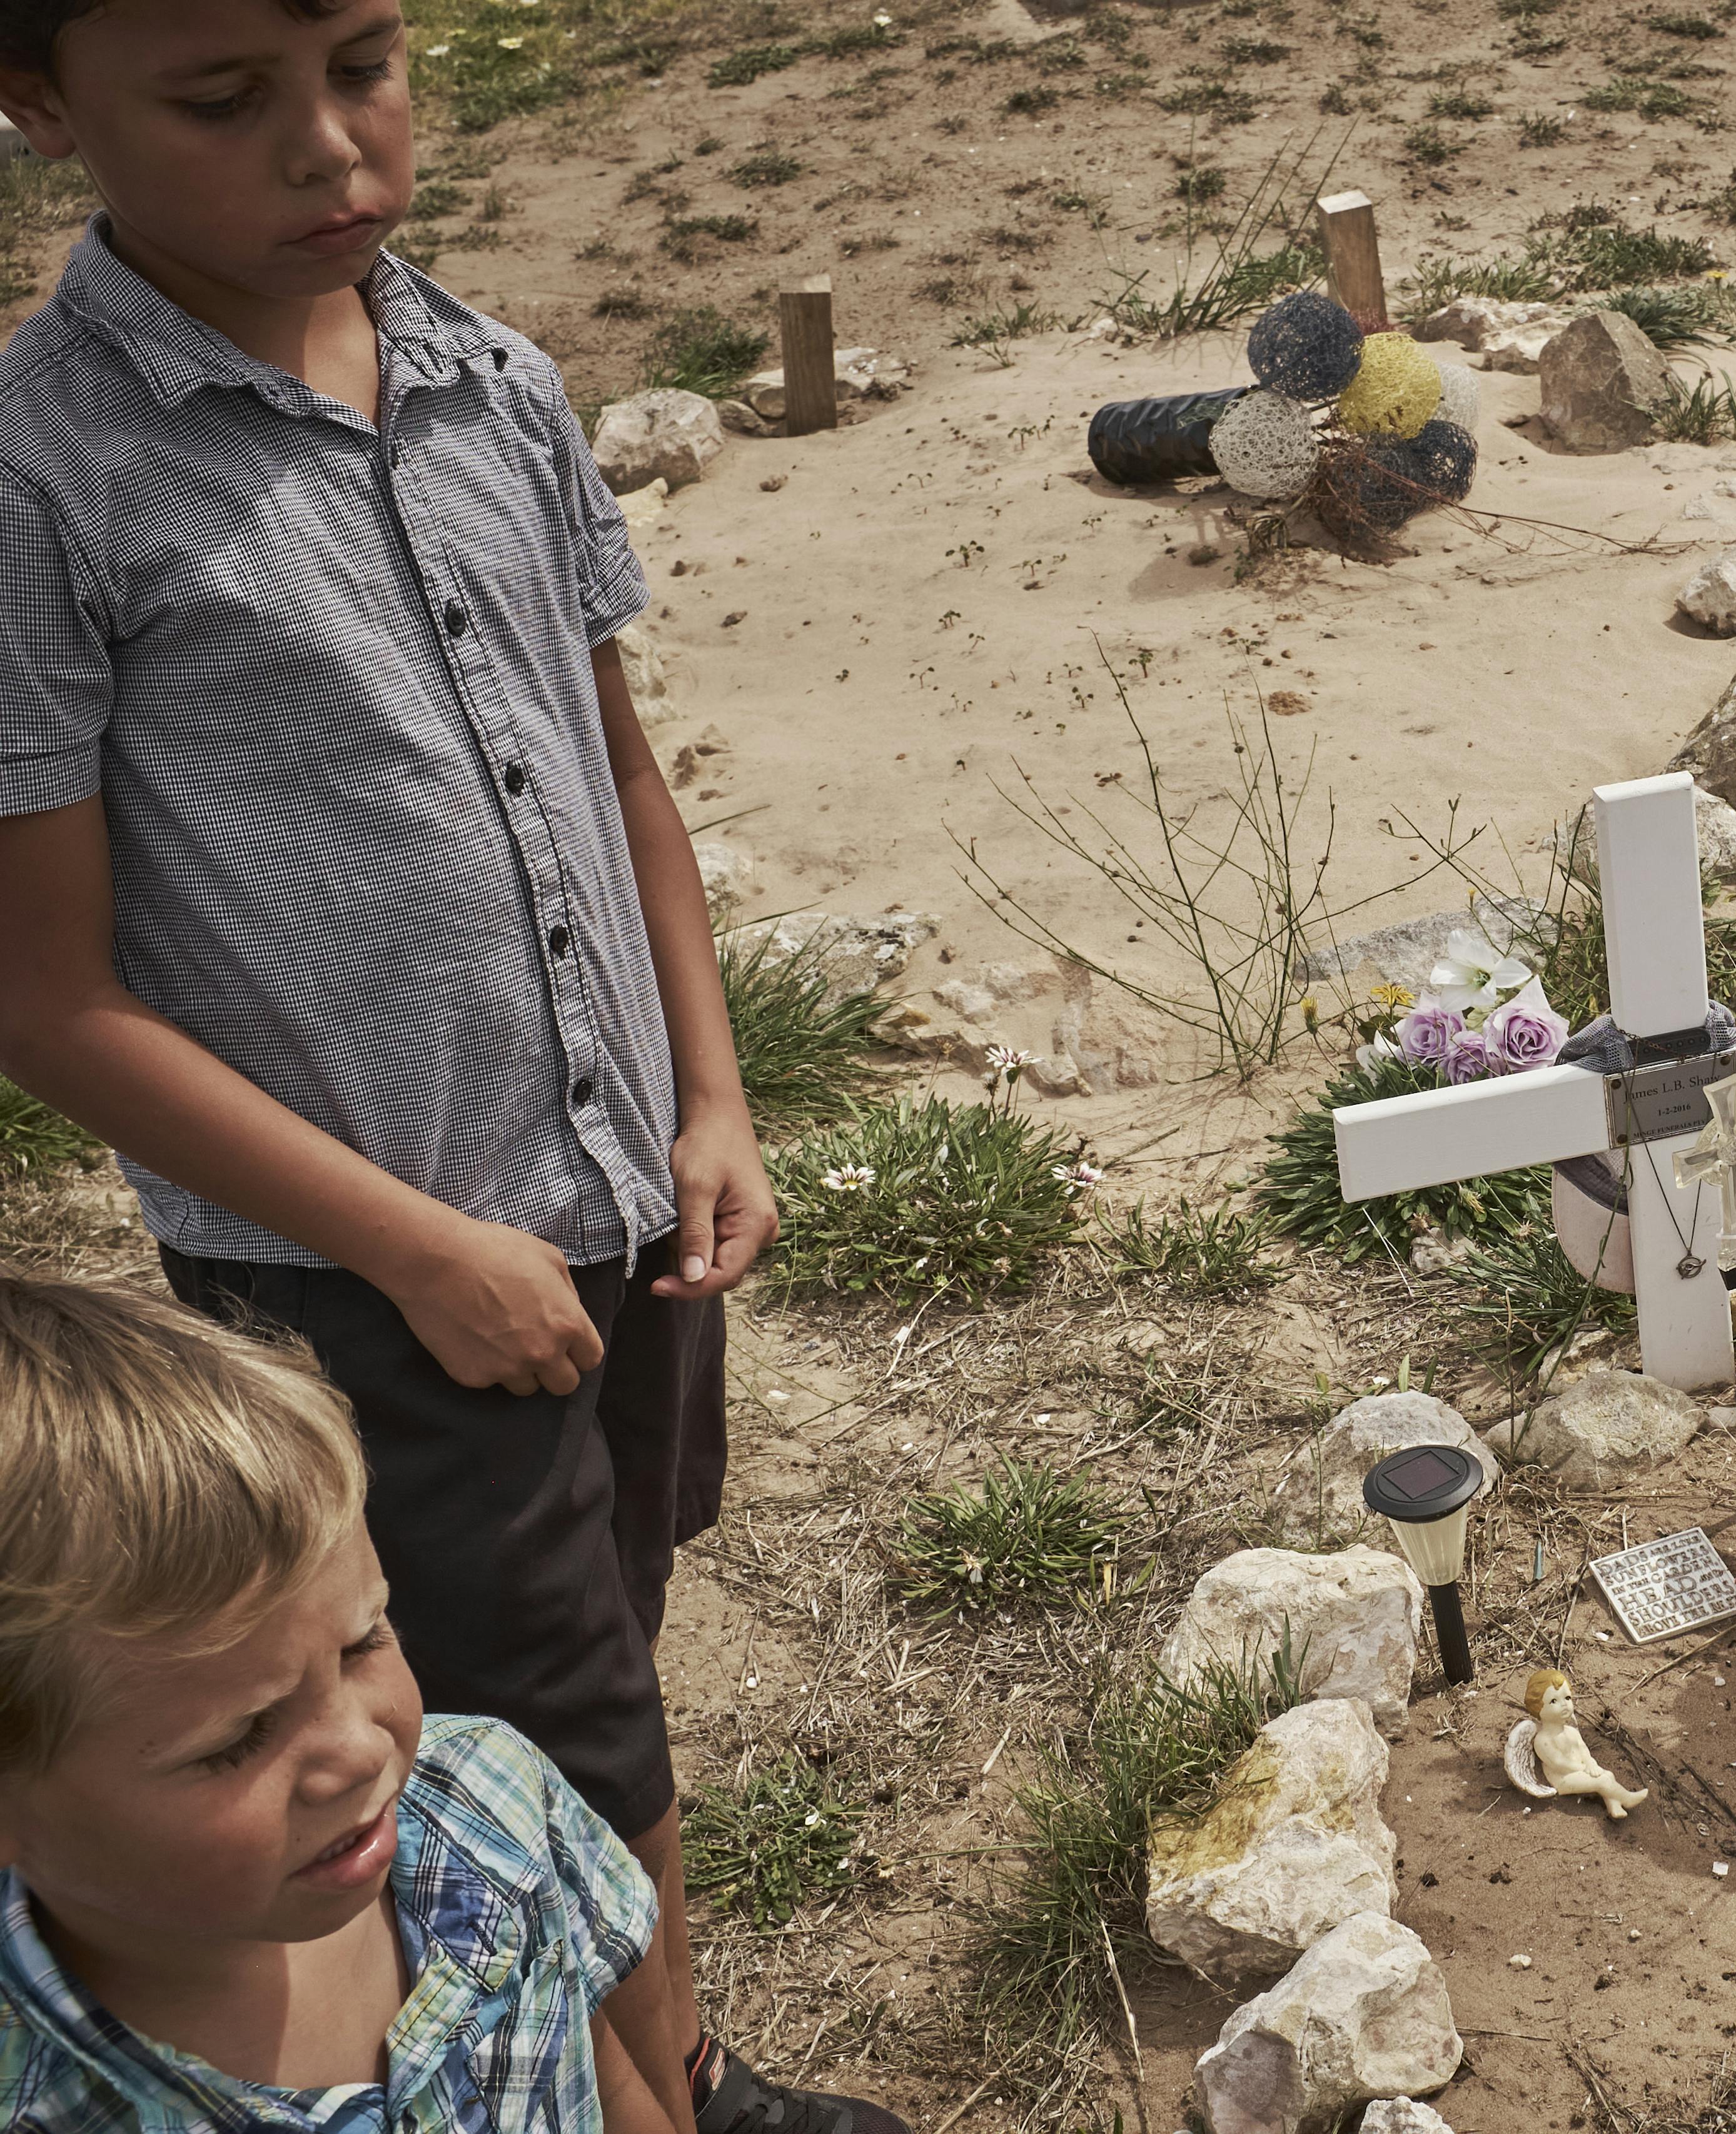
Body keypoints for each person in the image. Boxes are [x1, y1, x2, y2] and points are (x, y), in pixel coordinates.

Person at [0, 9, 892, 2128]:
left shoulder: (492, 377)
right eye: (223, 101)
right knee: (535, 1723)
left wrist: (715, 1092)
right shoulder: (44, 478)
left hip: (618, 1207)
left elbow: (623, 769)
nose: (328, 146)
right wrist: (415, 1256)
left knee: (589, 1653)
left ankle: (593, 2042)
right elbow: (44, 996)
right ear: (38, 104)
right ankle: (647, 2079)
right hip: (367, 1281)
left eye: (367, 59)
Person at [0, 1274, 674, 2125]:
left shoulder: (487, 1796)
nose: (361, 1749)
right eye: (239, 1735)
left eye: (363, 1642)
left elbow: (601, 2054)